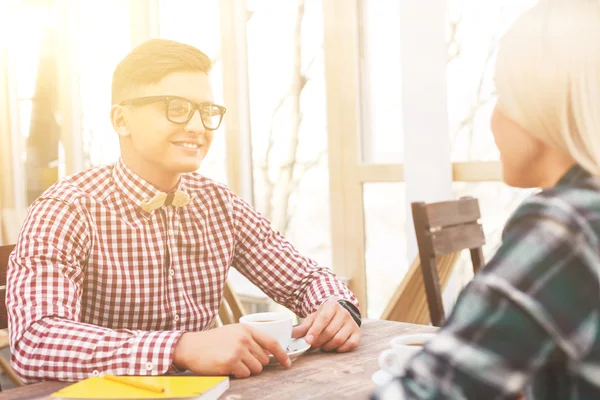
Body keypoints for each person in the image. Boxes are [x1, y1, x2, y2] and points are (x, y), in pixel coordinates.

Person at [6, 38, 362, 383]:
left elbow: (305, 278)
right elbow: (35, 342)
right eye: (175, 107)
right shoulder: (67, 208)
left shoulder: (218, 203)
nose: (197, 127)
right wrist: (179, 347)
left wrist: (337, 307)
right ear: (121, 120)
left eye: (206, 111)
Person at [373, 1, 600, 399]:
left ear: (540, 103)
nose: (491, 118)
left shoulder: (566, 225)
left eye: (503, 94)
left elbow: (425, 392)